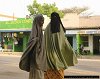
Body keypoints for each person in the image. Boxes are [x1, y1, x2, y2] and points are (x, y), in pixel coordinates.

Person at [44, 12, 78, 79]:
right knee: (59, 72)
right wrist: (69, 48)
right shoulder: (59, 26)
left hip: (49, 55)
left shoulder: (47, 27)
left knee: (49, 72)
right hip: (58, 55)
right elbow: (63, 41)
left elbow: (44, 40)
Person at [19, 14, 46, 79]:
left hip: (40, 60)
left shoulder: (41, 31)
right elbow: (30, 45)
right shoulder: (35, 31)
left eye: (43, 20)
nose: (42, 22)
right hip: (35, 61)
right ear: (37, 21)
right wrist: (35, 40)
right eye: (41, 20)